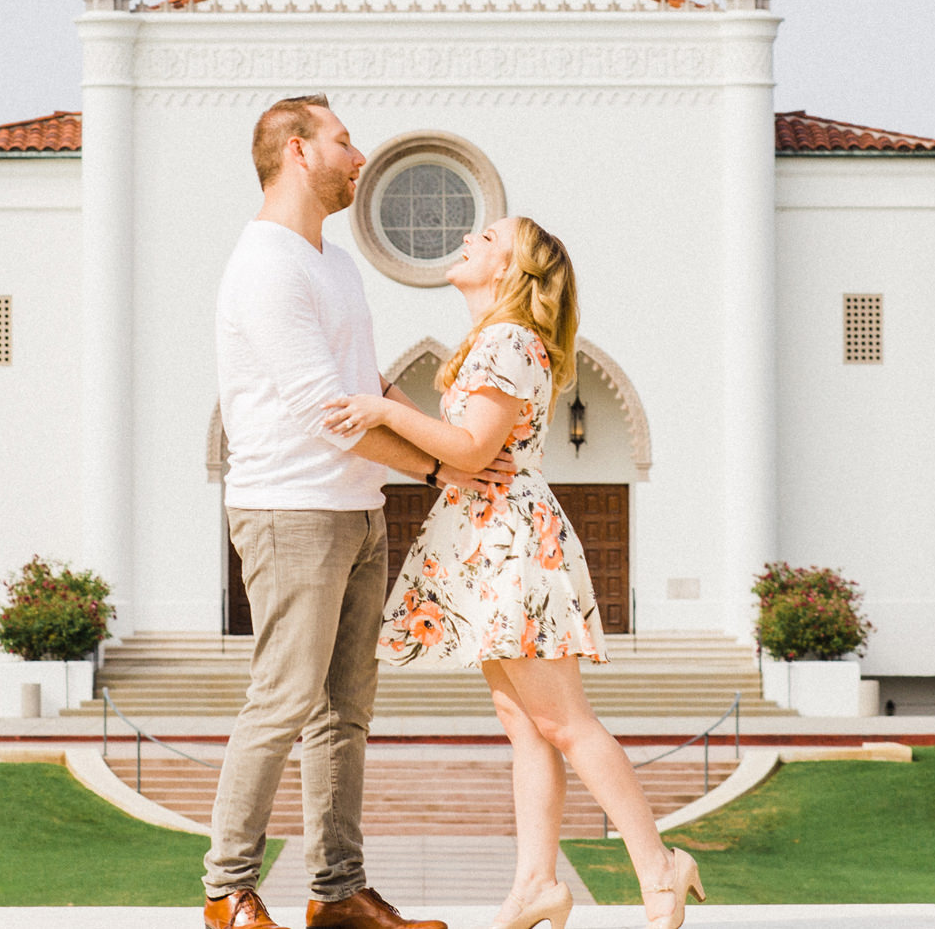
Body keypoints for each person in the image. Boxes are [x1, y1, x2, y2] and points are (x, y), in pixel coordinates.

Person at [326, 217, 705, 929]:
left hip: (510, 541)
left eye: (490, 235)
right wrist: (386, 393)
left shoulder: (507, 340)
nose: (472, 236)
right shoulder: (491, 341)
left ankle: (660, 866)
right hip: (491, 536)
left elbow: (470, 451)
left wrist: (379, 406)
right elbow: (465, 443)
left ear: (511, 270)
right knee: (525, 722)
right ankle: (536, 883)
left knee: (563, 720)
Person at [206, 94, 505, 929]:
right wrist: (444, 465)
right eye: (344, 140)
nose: (359, 152)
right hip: (290, 508)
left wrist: (427, 448)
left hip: (356, 508)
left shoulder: (333, 262)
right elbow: (323, 410)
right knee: (282, 697)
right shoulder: (265, 263)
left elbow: (369, 392)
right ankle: (227, 889)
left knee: (346, 710)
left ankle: (337, 892)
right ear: (297, 151)